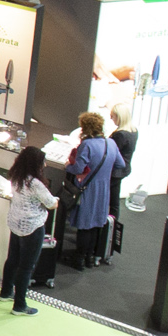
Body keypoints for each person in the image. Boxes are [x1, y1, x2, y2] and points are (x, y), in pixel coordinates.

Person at [0, 145, 56, 315]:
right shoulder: (35, 184)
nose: (45, 165)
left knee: (12, 260)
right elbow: (51, 203)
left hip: (15, 223)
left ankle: (5, 292)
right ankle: (20, 305)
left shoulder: (16, 177)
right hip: (32, 227)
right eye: (43, 162)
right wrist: (56, 201)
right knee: (26, 267)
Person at [64, 111, 125, 266]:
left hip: (88, 189)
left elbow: (78, 168)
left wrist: (68, 166)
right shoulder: (111, 143)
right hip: (104, 189)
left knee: (85, 225)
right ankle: (90, 258)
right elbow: (121, 164)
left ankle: (79, 259)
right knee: (96, 224)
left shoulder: (87, 145)